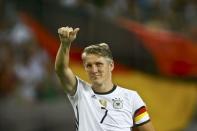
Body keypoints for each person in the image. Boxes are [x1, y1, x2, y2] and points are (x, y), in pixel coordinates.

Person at [55, 26, 155, 131]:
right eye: (89, 65)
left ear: (111, 65)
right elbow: (61, 69)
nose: (94, 70)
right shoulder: (80, 91)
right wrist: (65, 44)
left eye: (99, 64)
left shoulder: (131, 98)